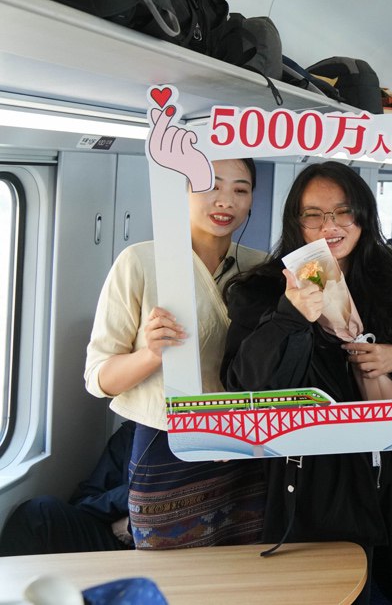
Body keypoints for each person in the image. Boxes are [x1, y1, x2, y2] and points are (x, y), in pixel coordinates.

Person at [221, 161, 392, 604]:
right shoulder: (262, 290)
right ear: (295, 221)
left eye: (343, 212)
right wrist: (289, 316)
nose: (330, 226)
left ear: (363, 215)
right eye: (314, 215)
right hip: (315, 482)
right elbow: (244, 385)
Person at [84, 158, 266, 549]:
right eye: (211, 185)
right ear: (181, 190)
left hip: (244, 446)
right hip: (167, 446)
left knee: (247, 567)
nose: (226, 200)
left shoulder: (262, 269)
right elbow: (98, 379)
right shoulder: (139, 262)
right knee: (169, 570)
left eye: (240, 189)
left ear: (252, 200)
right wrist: (151, 354)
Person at [0, 421, 135, 555]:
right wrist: (133, 497)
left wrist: (137, 524)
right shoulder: (131, 432)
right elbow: (84, 502)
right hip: (118, 539)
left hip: (144, 549)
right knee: (38, 512)